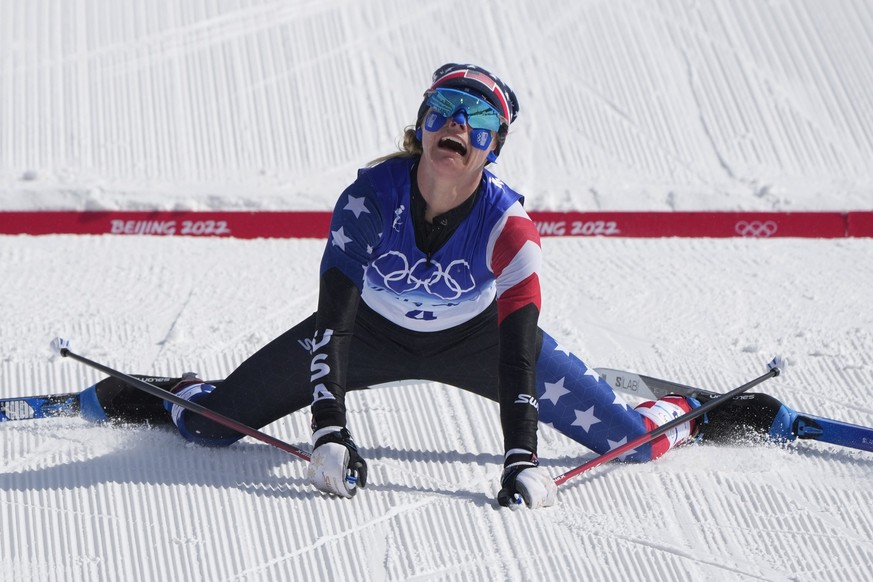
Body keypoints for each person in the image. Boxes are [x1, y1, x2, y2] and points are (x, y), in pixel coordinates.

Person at [83, 63, 793, 509]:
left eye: (477, 122)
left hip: (477, 344)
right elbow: (332, 320)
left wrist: (522, 461)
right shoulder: (369, 195)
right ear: (422, 124)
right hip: (367, 335)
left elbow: (517, 355)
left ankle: (688, 410)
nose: (456, 125)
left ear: (493, 147)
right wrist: (329, 432)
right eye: (443, 110)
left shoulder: (508, 227)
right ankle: (169, 390)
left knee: (634, 445)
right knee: (208, 429)